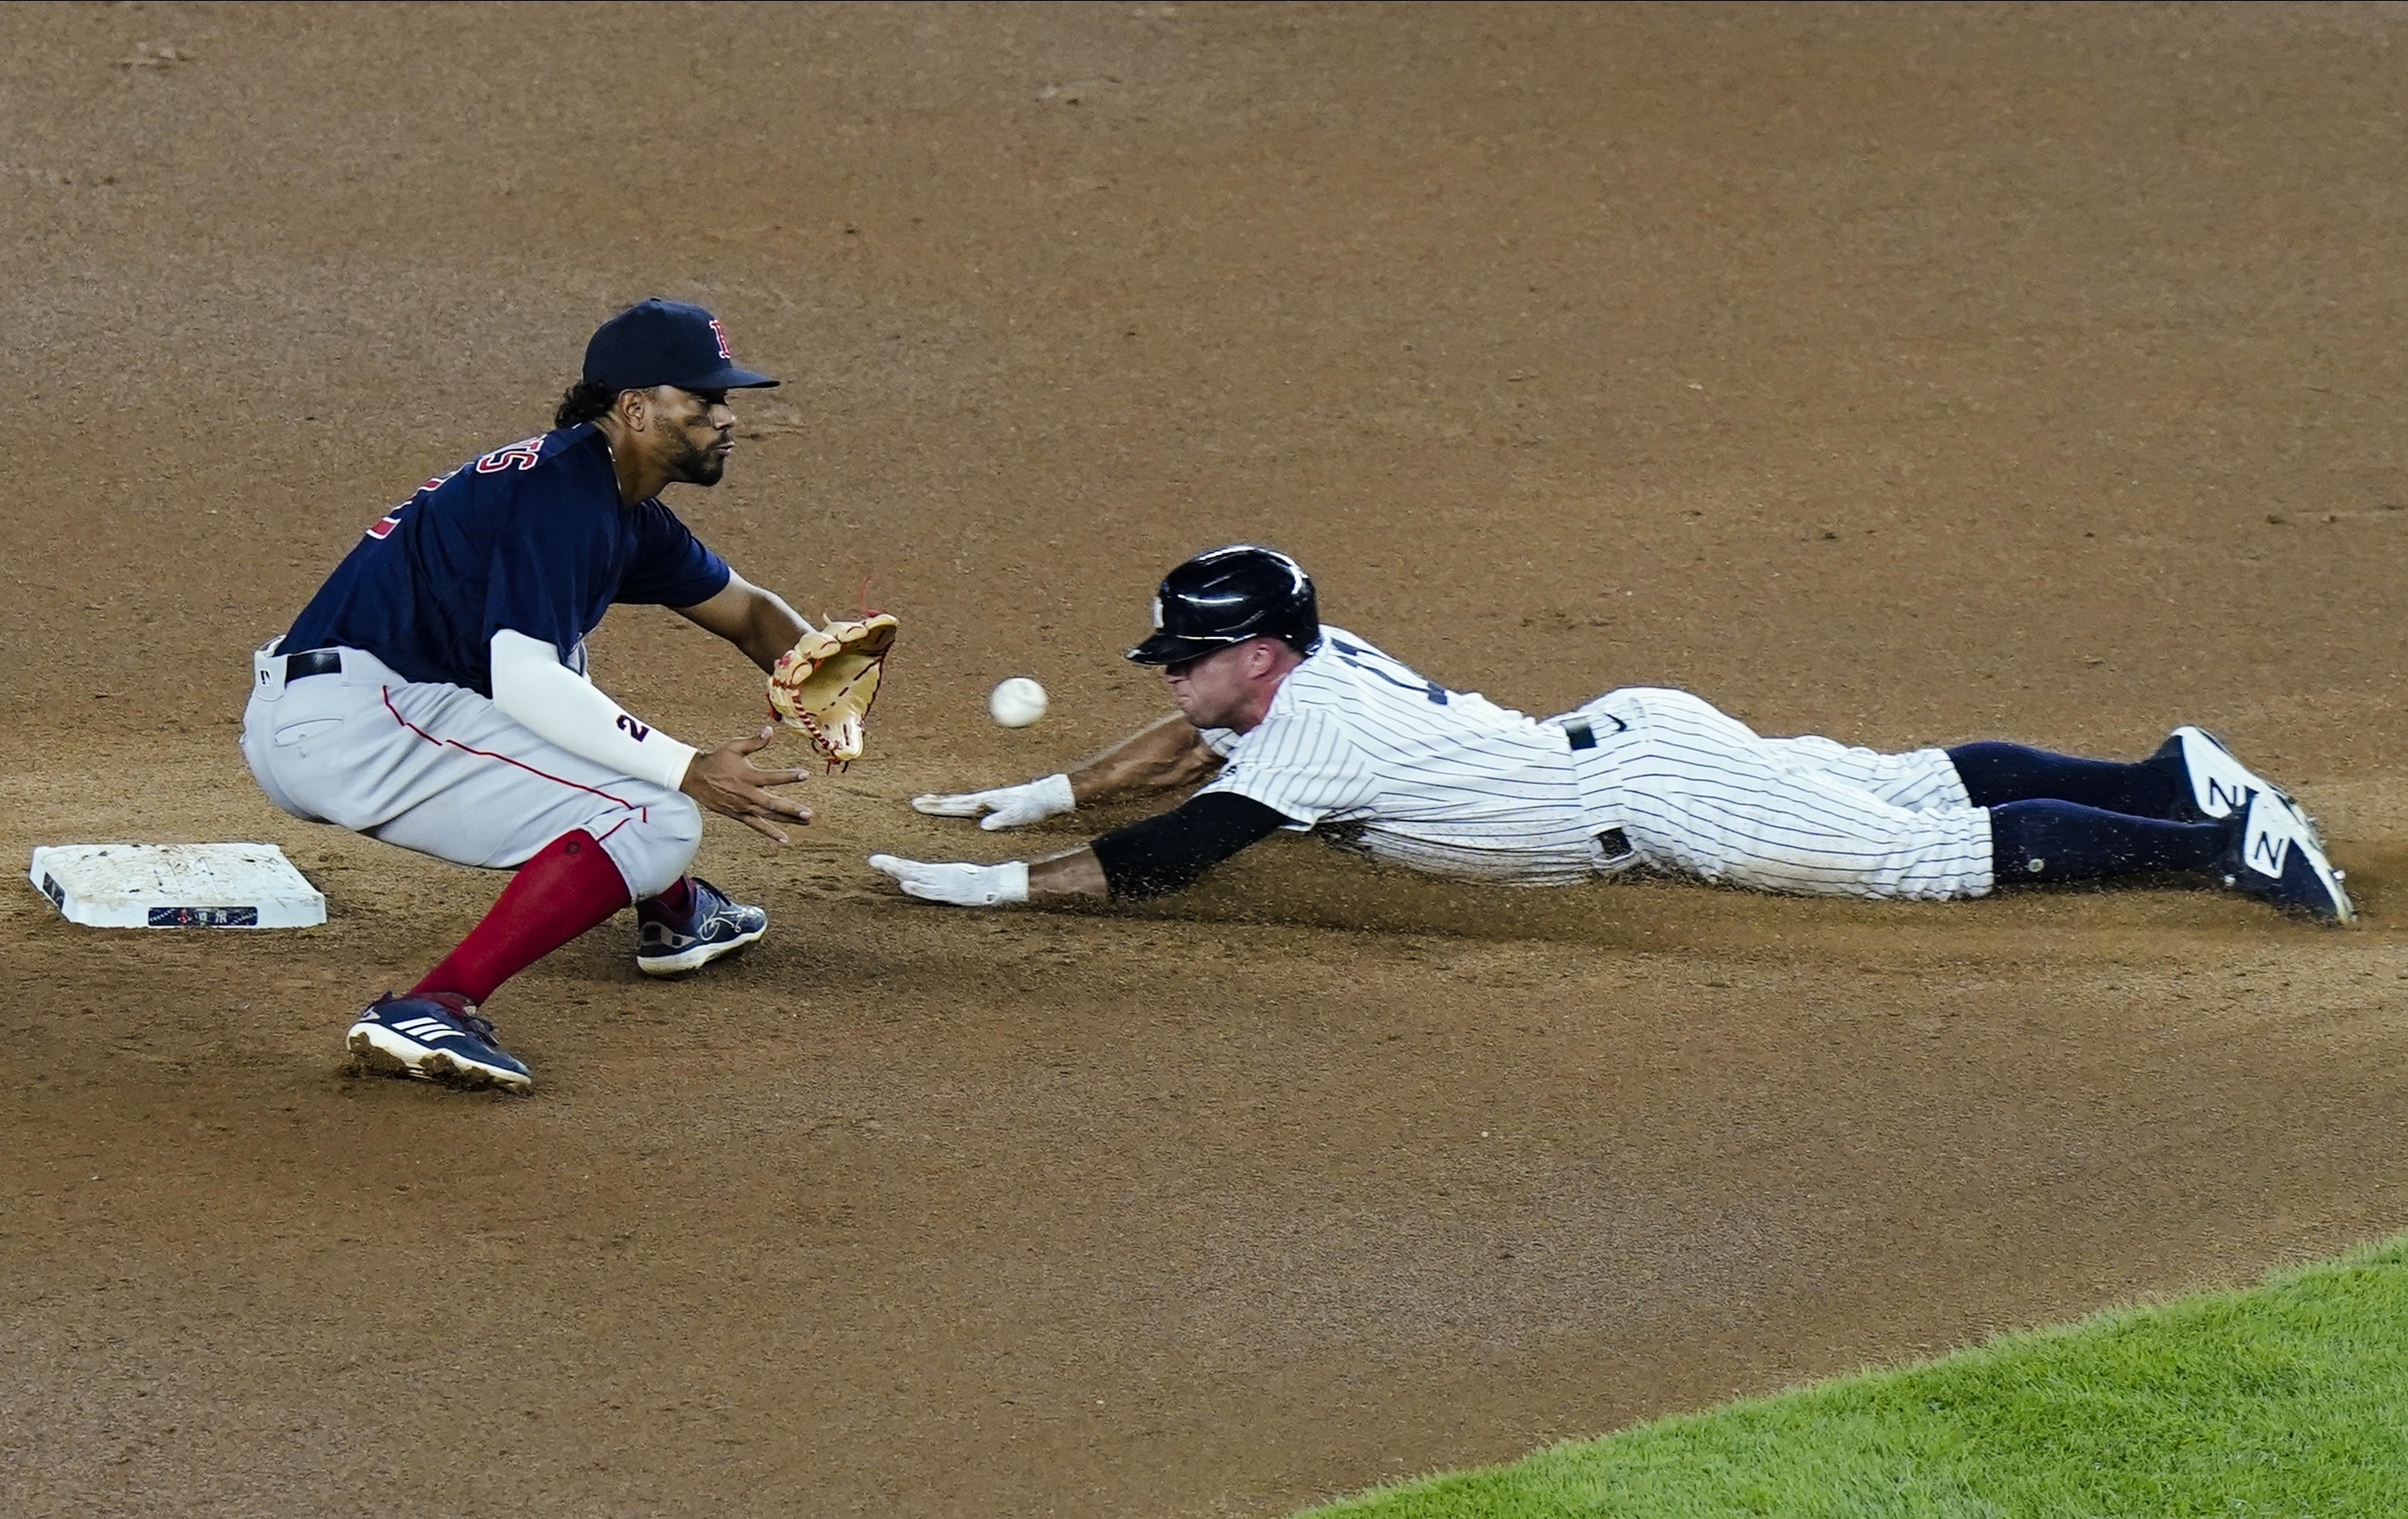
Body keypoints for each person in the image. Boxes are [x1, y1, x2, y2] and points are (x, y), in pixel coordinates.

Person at [869, 544, 2352, 925]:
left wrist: (994, 884)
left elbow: (1171, 852)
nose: (1174, 677)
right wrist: (1037, 789)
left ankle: (2214, 841)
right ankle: (2168, 768)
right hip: (1642, 737)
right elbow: (1181, 748)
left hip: (1658, 795)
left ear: (1259, 652)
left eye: (1190, 656)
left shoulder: (1300, 733)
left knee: (1926, 854)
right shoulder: (1297, 674)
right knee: (1898, 781)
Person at [244, 299, 841, 1091]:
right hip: (356, 724)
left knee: (576, 688)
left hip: (364, 711)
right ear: (633, 408)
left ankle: (674, 908)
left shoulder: (611, 503)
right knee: (652, 807)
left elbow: (749, 612)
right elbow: (523, 681)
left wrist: (822, 672)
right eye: (703, 400)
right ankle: (432, 1006)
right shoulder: (562, 493)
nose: (725, 417)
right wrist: (688, 768)